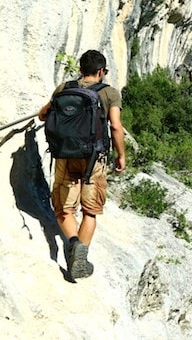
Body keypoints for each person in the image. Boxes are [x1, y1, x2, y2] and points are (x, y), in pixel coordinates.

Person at [38, 50, 126, 279]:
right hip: (94, 161)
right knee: (90, 211)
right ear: (101, 71)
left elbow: (42, 115)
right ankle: (81, 256)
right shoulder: (109, 93)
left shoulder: (64, 88)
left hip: (65, 156)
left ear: (80, 70)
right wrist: (121, 156)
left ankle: (74, 242)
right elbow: (115, 126)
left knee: (64, 209)